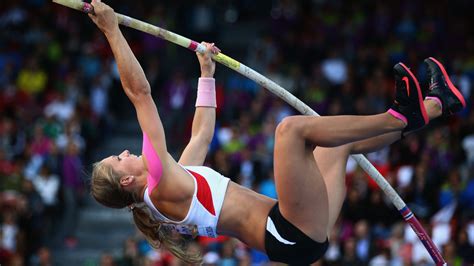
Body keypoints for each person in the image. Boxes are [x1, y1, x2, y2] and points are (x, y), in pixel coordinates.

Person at [87, 1, 466, 264]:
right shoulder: (158, 184)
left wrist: (206, 73)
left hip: (300, 236)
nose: (125, 153)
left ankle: (436, 106)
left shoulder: (172, 184)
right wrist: (112, 30)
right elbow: (140, 93)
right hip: (288, 231)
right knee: (290, 132)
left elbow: (200, 135)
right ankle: (400, 117)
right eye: (118, 160)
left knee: (337, 144)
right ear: (126, 181)